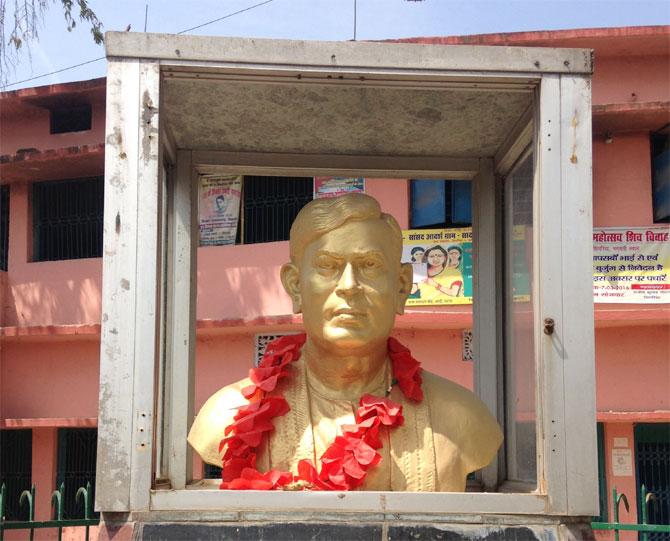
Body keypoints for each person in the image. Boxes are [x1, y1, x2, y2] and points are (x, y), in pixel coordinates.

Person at [188, 194, 501, 491]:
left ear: (402, 286)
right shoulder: (227, 414)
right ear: (296, 286)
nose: (349, 286)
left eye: (370, 265)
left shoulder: (462, 417)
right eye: (328, 266)